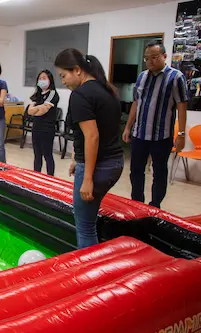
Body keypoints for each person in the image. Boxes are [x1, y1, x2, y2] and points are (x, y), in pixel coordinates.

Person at [54, 48, 124, 249]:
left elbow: (92, 136)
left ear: (77, 70)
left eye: (63, 75)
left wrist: (87, 179)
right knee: (89, 219)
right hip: (115, 163)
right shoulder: (107, 90)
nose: (63, 81)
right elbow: (93, 131)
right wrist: (77, 157)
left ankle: (89, 273)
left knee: (85, 227)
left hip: (98, 167)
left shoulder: (80, 95)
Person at [122, 41, 188, 209]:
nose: (150, 61)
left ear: (164, 56)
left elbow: (182, 106)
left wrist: (181, 134)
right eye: (146, 58)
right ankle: (137, 203)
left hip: (161, 136)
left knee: (159, 173)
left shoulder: (176, 77)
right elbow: (136, 103)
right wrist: (128, 127)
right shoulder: (142, 76)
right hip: (140, 134)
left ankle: (154, 206)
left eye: (154, 57)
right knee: (136, 171)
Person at [27, 70, 60, 175]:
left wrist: (36, 109)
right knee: (37, 155)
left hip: (47, 129)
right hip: (36, 127)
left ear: (50, 80)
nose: (42, 80)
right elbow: (29, 111)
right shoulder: (37, 95)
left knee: (47, 155)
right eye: (40, 78)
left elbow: (43, 111)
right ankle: (36, 176)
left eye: (44, 78)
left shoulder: (53, 94)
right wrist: (39, 108)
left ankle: (50, 178)